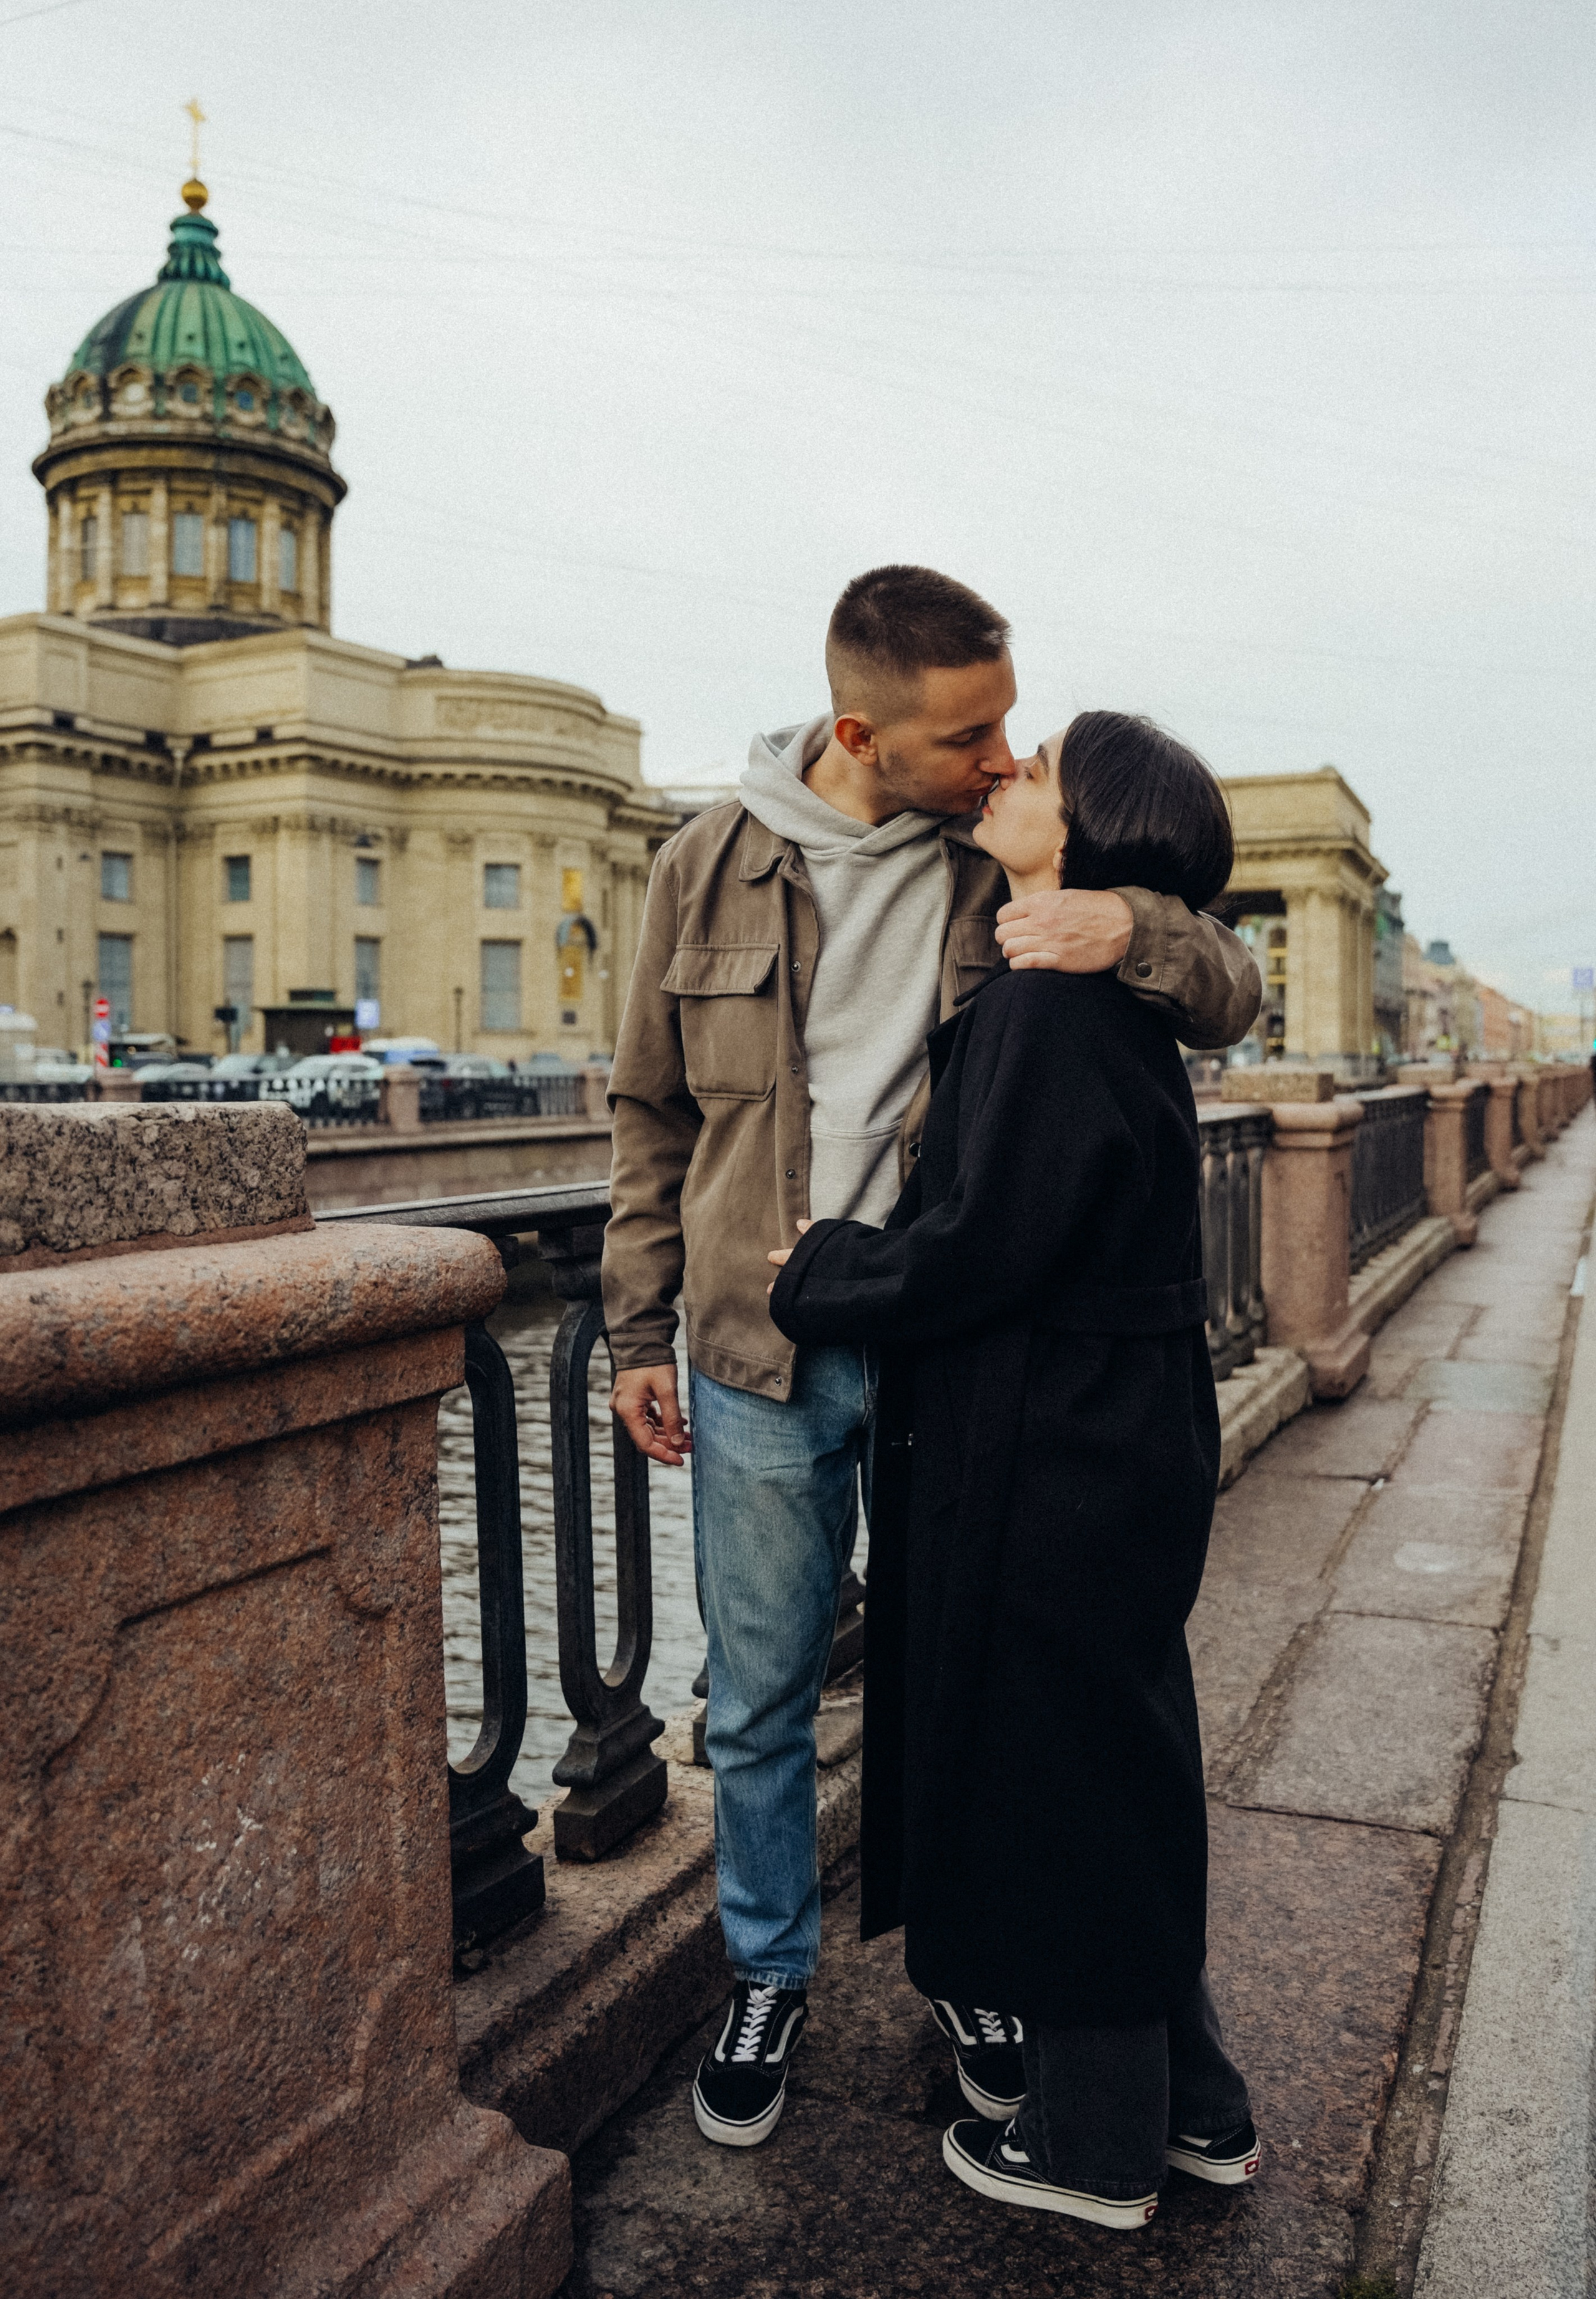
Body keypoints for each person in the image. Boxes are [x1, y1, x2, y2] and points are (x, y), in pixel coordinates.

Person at [601, 569, 1261, 2151]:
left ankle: (970, 1968)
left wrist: (1136, 922)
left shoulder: (1000, 850)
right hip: (760, 1347)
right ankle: (770, 1969)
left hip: (953, 1348)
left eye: (1008, 722)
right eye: (969, 732)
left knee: (953, 1680)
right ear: (857, 730)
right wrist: (636, 1326)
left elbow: (1227, 987)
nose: (1001, 755)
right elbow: (648, 1112)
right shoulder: (704, 862)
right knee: (755, 1694)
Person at [767, 713, 1258, 2229]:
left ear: (1091, 832)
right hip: (1115, 1421)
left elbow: (985, 1246)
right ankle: (1192, 2107)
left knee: (1064, 1779)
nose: (1005, 773)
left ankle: (1094, 2144)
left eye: (1037, 765)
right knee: (1114, 1748)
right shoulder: (1096, 994)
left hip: (1058, 1436)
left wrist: (822, 1272)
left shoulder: (1052, 1007)